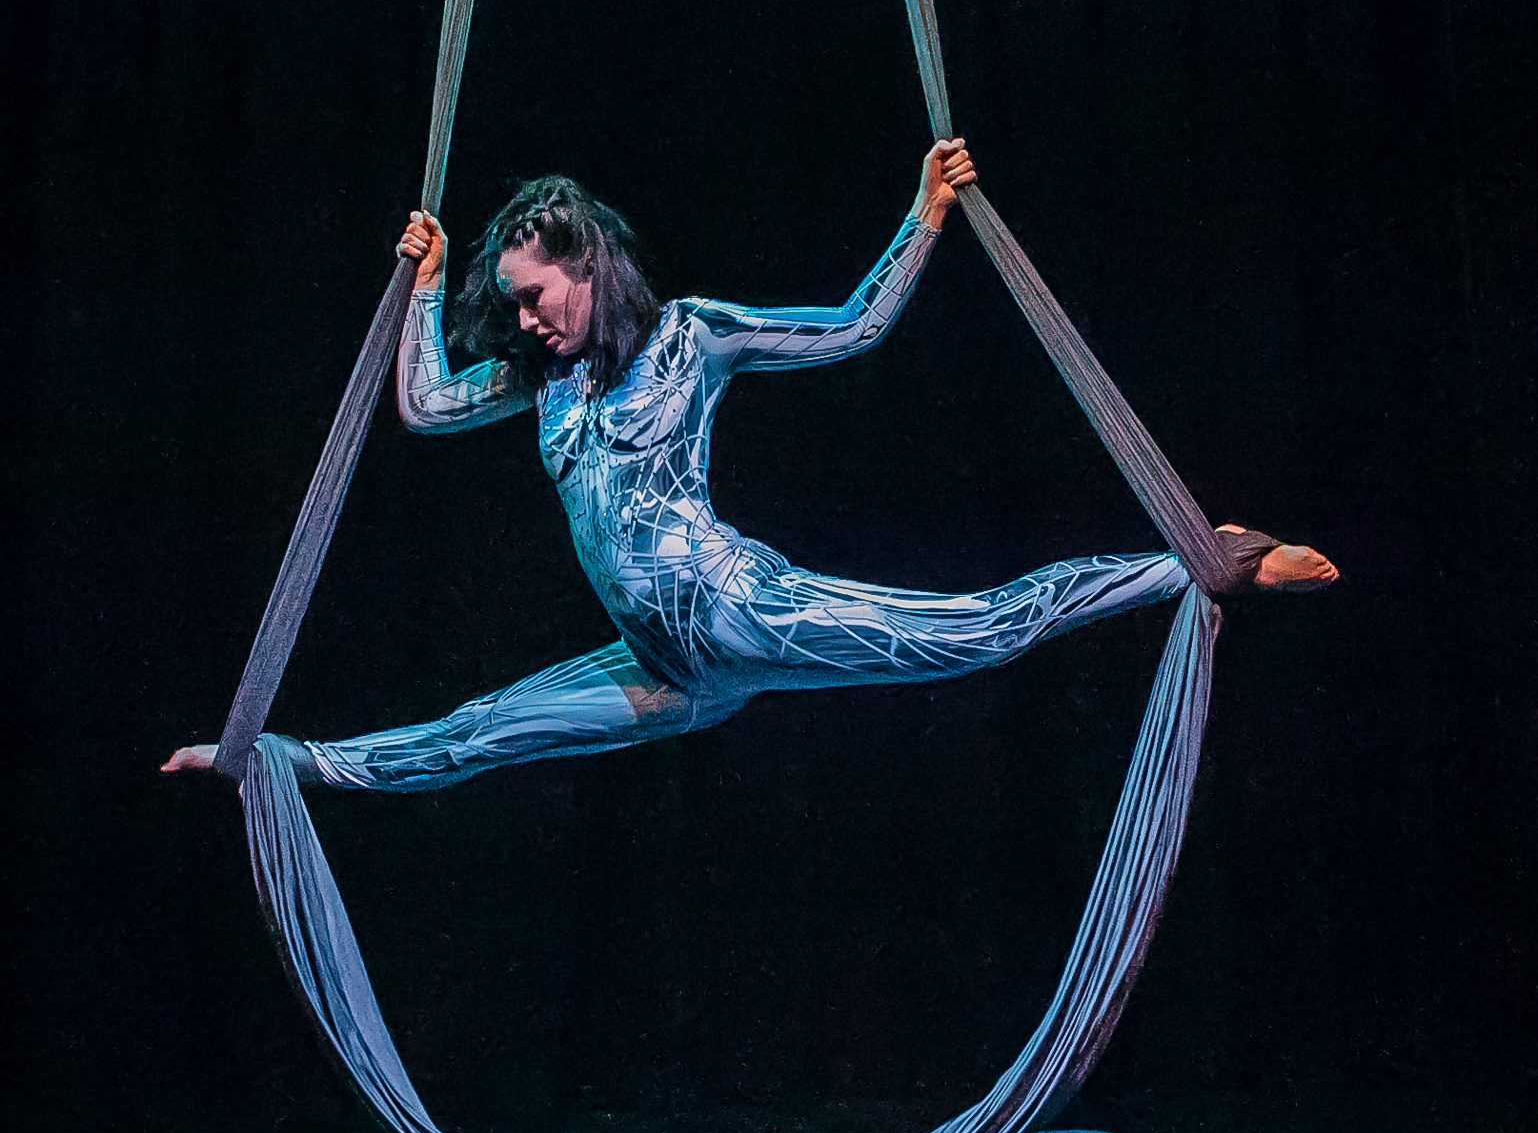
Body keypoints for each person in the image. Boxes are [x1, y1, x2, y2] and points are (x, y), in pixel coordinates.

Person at [164, 141, 1336, 787]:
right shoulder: (543, 380)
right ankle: (261, 756)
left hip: (739, 609)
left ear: (584, 264)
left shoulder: (692, 334)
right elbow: (419, 405)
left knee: (970, 628)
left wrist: (926, 211)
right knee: (474, 733)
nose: (523, 324)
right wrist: (423, 292)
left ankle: (1201, 559)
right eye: (508, 307)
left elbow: (852, 329)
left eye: (532, 300)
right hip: (667, 674)